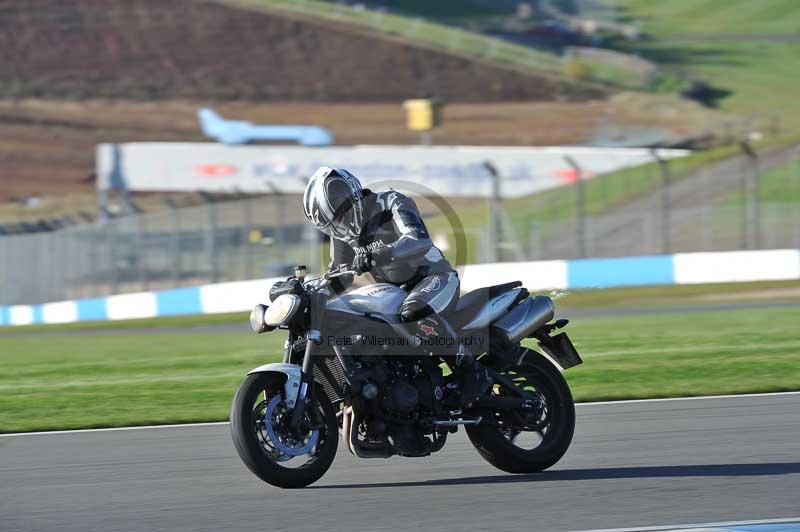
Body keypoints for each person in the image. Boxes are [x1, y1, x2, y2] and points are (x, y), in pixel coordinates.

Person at [302, 166, 489, 402]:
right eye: (332, 224)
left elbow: (418, 239)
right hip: (396, 292)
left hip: (434, 279)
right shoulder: (342, 234)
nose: (340, 226)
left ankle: (470, 369)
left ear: (351, 198)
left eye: (340, 217)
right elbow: (339, 275)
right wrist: (310, 292)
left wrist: (383, 253)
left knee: (413, 311)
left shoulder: (391, 202)